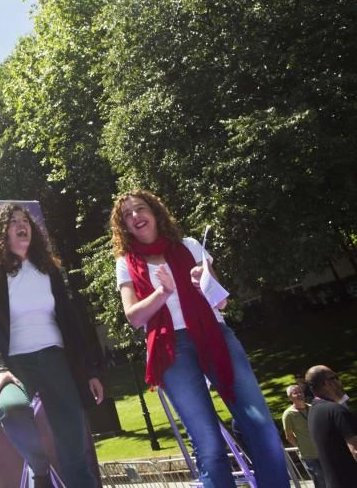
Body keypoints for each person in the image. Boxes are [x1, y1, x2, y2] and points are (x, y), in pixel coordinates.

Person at [111, 190, 288, 488]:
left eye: (140, 209)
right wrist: (162, 293)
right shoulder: (126, 263)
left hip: (214, 334)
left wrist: (202, 283)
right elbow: (134, 317)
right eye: (127, 215)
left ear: (155, 212)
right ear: (125, 227)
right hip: (171, 349)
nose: (135, 217)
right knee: (208, 445)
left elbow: (221, 303)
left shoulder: (191, 246)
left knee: (261, 425)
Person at [0, 203, 104, 488]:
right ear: (1, 233)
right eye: (13, 222)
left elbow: (71, 323)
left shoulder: (49, 271)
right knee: (11, 407)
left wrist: (90, 371)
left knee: (75, 452)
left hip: (57, 360)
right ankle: (39, 468)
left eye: (25, 221)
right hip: (17, 364)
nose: (22, 225)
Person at [304, 365, 357, 488]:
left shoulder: (314, 411)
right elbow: (355, 450)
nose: (339, 381)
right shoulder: (336, 411)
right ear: (328, 383)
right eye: (336, 377)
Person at [282, 382, 326, 488]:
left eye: (300, 392)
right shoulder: (288, 414)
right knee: (320, 483)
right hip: (309, 455)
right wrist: (301, 446)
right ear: (290, 397)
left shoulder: (312, 408)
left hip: (323, 451)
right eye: (295, 393)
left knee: (332, 479)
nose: (299, 394)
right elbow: (289, 435)